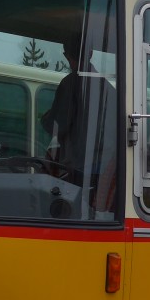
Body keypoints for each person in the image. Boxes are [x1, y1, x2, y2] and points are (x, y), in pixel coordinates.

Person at [40, 32, 118, 205]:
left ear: (66, 55)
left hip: (78, 169)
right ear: (91, 54)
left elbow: (60, 125)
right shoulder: (107, 88)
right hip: (105, 171)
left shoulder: (70, 83)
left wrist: (45, 119)